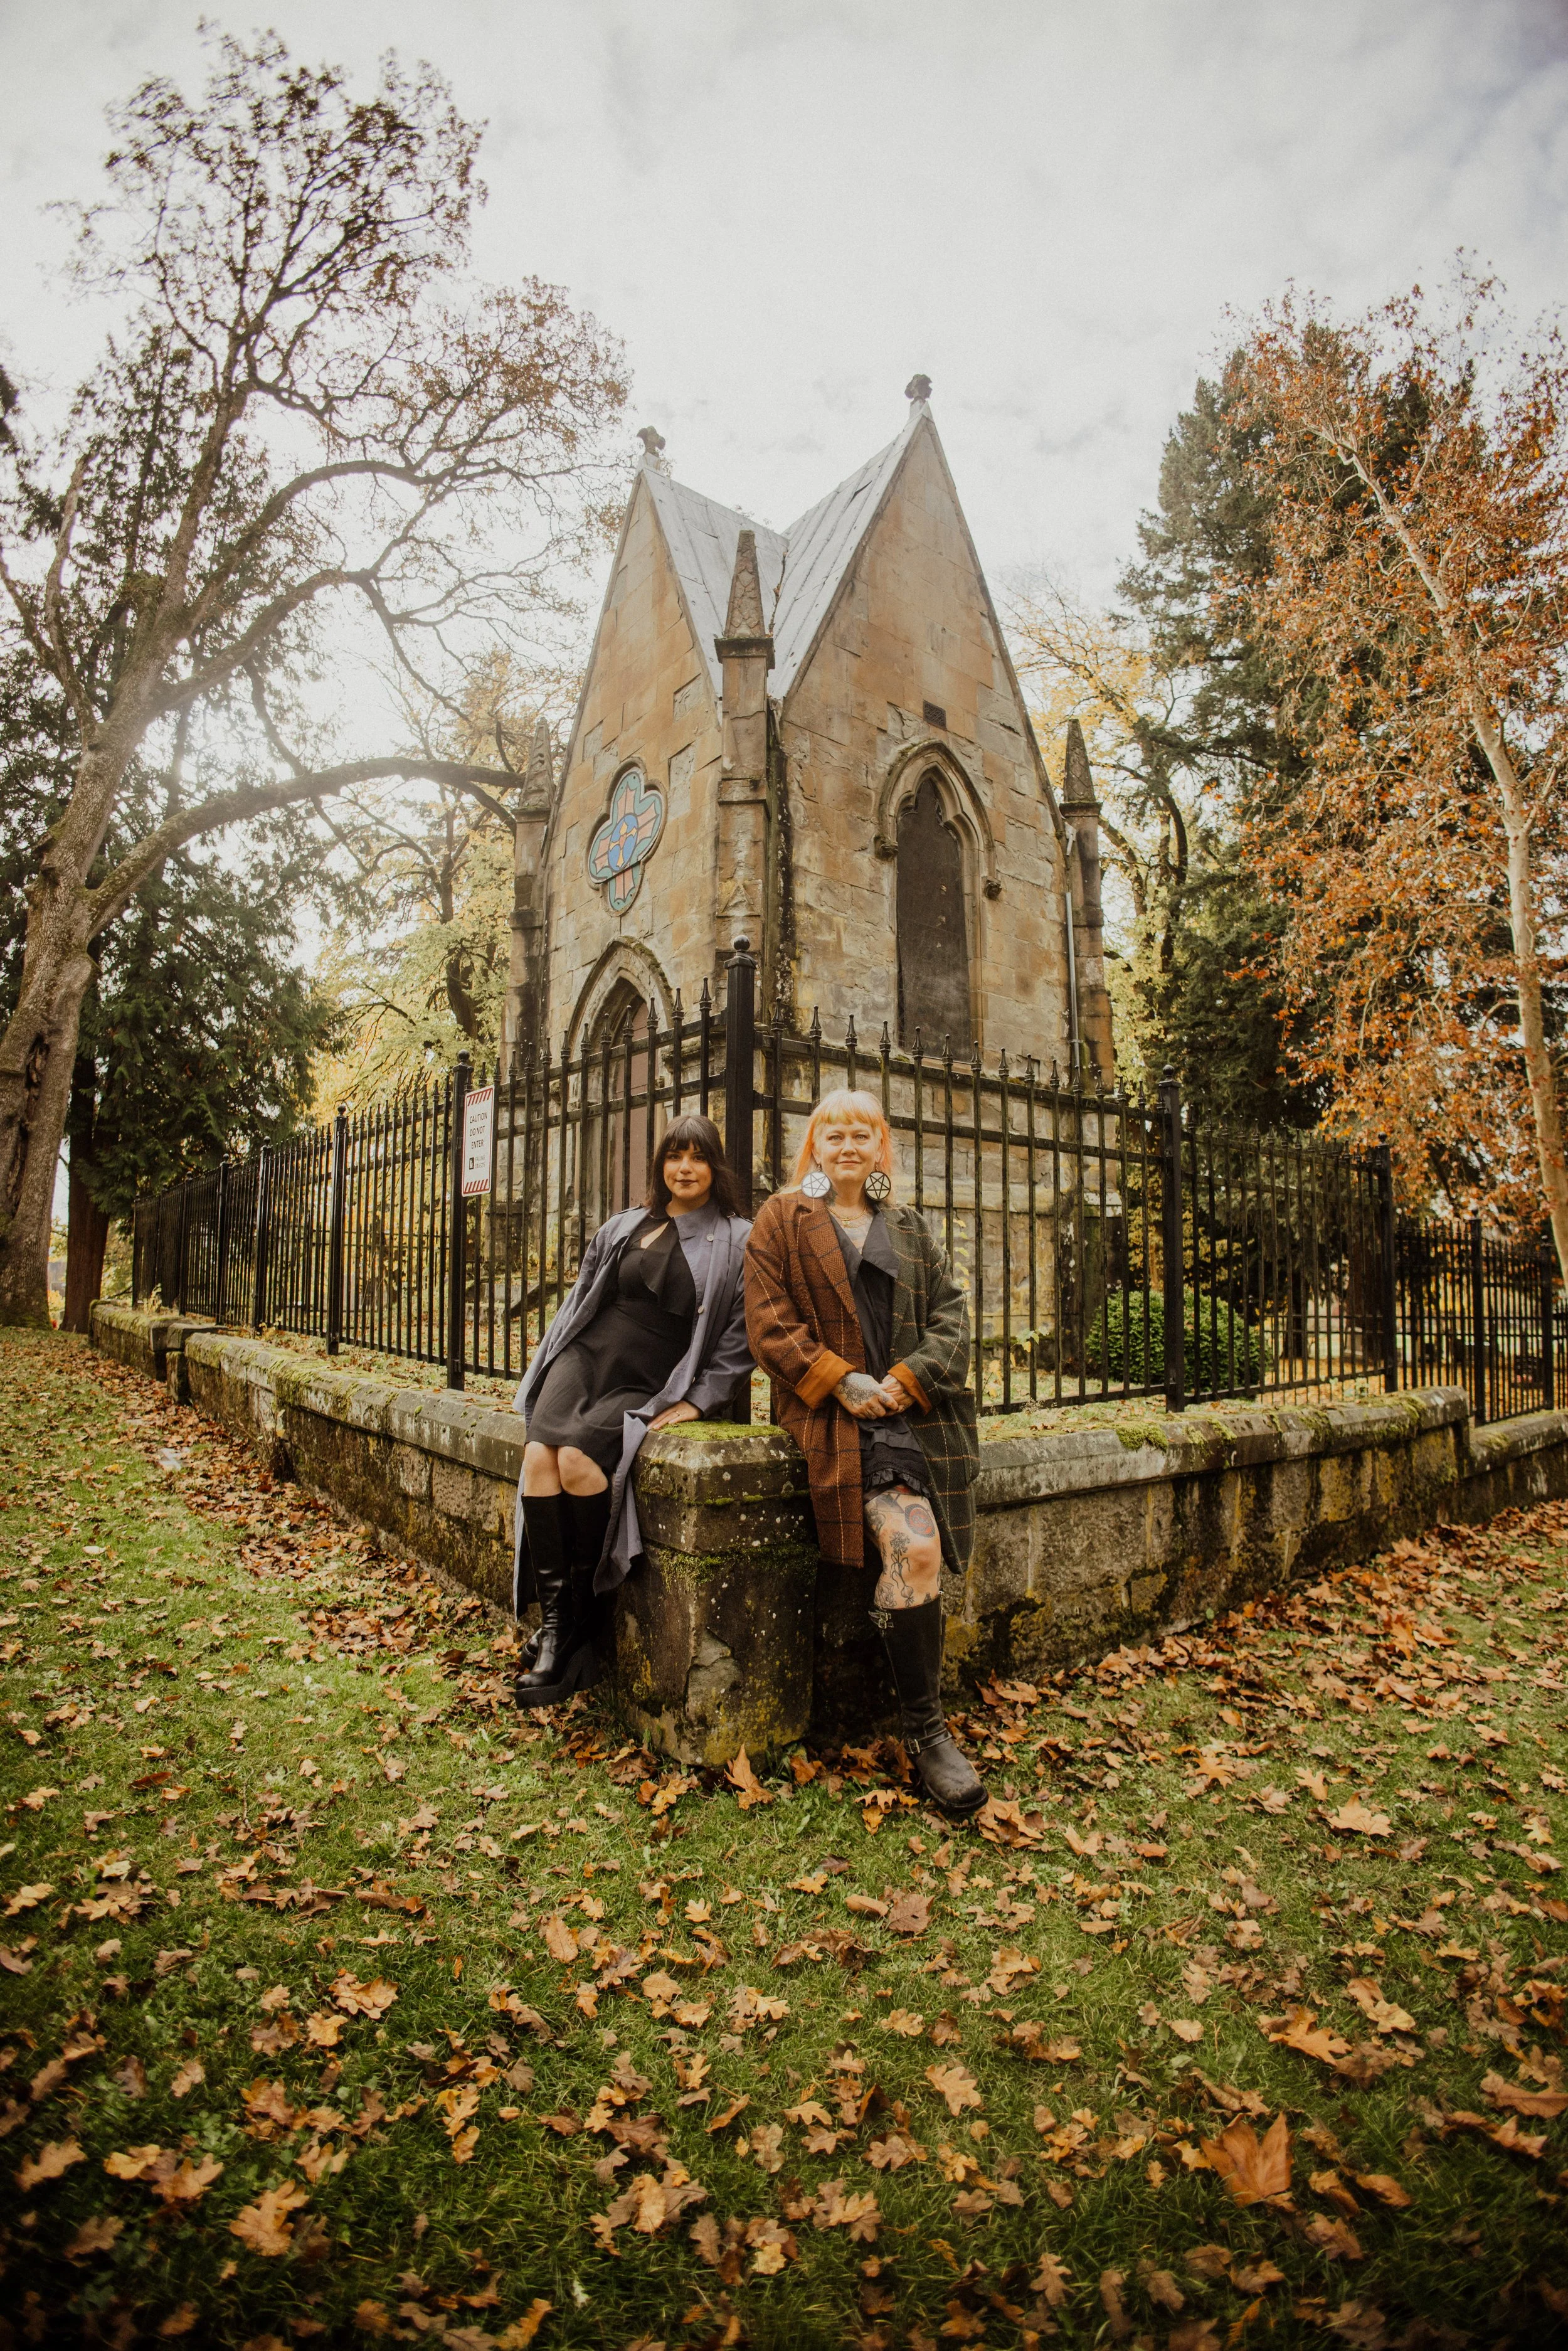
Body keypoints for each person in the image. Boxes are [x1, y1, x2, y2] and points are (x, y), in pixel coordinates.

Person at [744, 1089, 984, 1813]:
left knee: (917, 1550)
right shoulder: (781, 1219)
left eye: (862, 1135)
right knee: (914, 1549)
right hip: (835, 1417)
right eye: (833, 1134)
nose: (848, 1146)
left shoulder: (910, 1226)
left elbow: (952, 1318)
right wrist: (841, 1381)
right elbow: (767, 1323)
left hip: (913, 1414)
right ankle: (928, 1734)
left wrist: (905, 1380)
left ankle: (923, 1733)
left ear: (881, 1148)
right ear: (812, 1146)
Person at [512, 1115, 753, 1707]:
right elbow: (579, 1302)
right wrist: (544, 1365)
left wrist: (700, 1399)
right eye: (674, 1156)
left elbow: (742, 1334)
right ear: (660, 1165)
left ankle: (579, 1624)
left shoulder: (738, 1237)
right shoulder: (624, 1224)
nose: (685, 1169)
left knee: (579, 1461)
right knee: (540, 1457)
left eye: (698, 1158)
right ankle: (559, 1628)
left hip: (651, 1372)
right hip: (589, 1356)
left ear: (715, 1168)